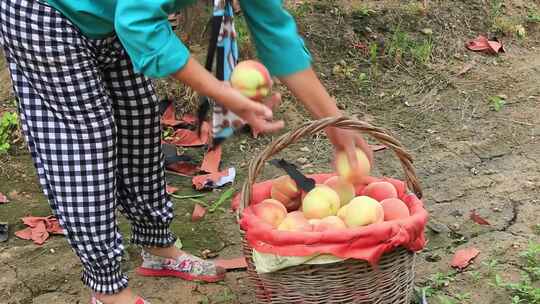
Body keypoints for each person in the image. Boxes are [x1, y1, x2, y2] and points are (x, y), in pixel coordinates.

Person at [0, 0, 374, 303]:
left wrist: (335, 124)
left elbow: (275, 32)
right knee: (86, 144)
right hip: (47, 13)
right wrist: (223, 94)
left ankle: (158, 248)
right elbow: (140, 24)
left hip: (114, 14)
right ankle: (108, 289)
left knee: (140, 122)